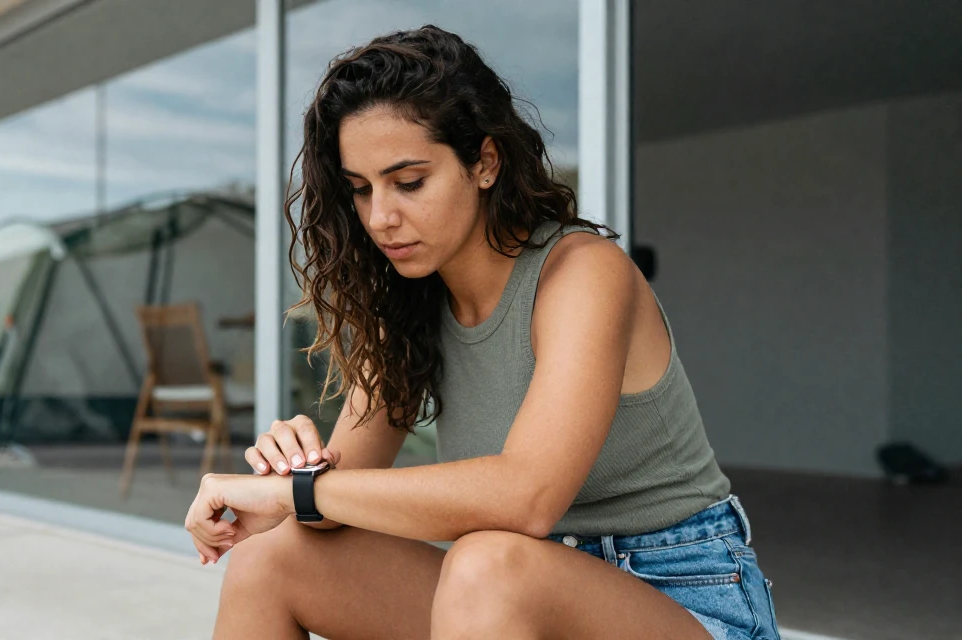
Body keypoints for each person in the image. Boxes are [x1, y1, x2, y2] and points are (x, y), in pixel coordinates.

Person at [184, 24, 780, 640]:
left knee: (485, 564)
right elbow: (328, 509)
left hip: (683, 597)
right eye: (361, 190)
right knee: (272, 558)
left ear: (484, 163)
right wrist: (292, 475)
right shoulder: (409, 307)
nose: (381, 218)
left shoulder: (582, 273)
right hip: (502, 595)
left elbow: (528, 496)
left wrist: (305, 495)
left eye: (409, 182)